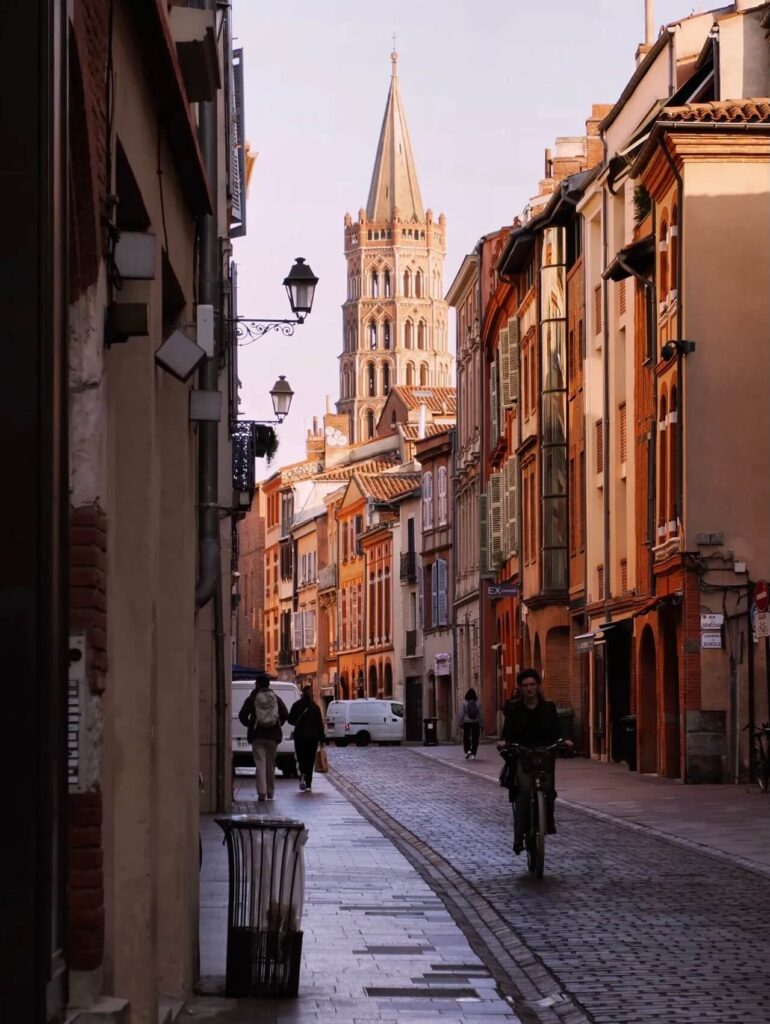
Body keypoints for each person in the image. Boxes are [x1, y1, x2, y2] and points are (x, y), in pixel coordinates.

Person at [496, 668, 572, 854]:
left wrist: (564, 740)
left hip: (544, 753)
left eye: (532, 685)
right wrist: (504, 742)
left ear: (537, 686)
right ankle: (519, 836)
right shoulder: (514, 708)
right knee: (523, 792)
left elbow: (557, 729)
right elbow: (508, 731)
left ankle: (548, 823)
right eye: (525, 686)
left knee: (548, 791)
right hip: (522, 754)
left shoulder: (548, 707)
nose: (529, 689)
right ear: (520, 688)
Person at [239, 675, 288, 802]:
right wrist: (277, 723)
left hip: (258, 736)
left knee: (260, 764)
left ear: (257, 684)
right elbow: (285, 713)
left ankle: (262, 793)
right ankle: (271, 792)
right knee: (271, 765)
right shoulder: (274, 697)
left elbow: (242, 715)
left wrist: (251, 724)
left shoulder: (253, 696)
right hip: (273, 735)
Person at [288, 685, 326, 791]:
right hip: (312, 738)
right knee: (310, 760)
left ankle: (302, 775)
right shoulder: (315, 707)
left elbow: (290, 720)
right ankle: (308, 782)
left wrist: (298, 722)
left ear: (302, 694)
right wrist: (322, 739)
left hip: (300, 737)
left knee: (301, 759)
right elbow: (320, 724)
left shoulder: (296, 705)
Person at [458, 688, 482, 760]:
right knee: (475, 738)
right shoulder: (478, 703)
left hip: (467, 722)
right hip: (476, 722)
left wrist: (460, 722)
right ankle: (473, 753)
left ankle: (467, 750)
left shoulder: (464, 702)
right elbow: (481, 714)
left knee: (466, 737)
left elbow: (462, 714)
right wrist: (482, 723)